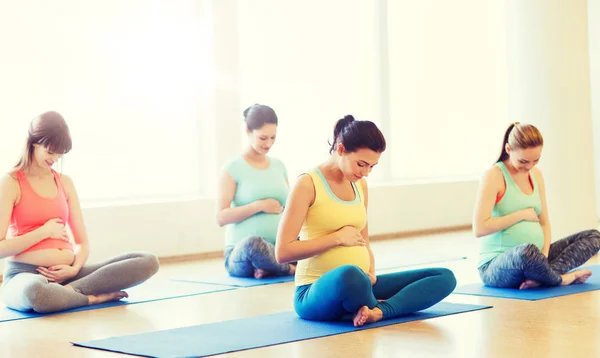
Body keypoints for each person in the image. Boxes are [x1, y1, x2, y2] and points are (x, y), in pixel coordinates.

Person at [275, 115, 456, 327]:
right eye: (361, 164)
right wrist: (336, 238)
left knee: (443, 276)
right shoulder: (307, 183)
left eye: (372, 166)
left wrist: (370, 271)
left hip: (362, 284)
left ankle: (377, 312)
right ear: (341, 149)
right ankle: (379, 306)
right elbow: (283, 252)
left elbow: (364, 240)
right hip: (314, 291)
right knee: (349, 274)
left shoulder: (359, 185)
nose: (366, 173)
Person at [0, 111, 160, 313]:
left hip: (70, 275)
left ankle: (67, 293)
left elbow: (82, 243)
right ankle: (89, 299)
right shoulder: (11, 182)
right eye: (50, 152)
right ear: (33, 143)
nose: (56, 158)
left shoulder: (64, 182)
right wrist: (43, 232)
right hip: (23, 277)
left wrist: (74, 269)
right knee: (37, 292)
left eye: (60, 153)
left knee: (147, 261)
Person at [473, 122, 600, 289]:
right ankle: (561, 279)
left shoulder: (536, 175)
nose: (529, 167)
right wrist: (521, 215)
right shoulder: (494, 176)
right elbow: (480, 228)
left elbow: (544, 222)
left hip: (536, 258)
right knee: (526, 252)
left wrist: (544, 254)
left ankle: (542, 275)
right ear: (508, 149)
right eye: (523, 161)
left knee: (594, 236)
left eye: (535, 160)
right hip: (498, 265)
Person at [216, 104, 294, 279]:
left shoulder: (279, 166)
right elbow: (221, 218)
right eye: (263, 137)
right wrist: (259, 206)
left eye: (273, 137)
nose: (268, 143)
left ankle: (270, 266)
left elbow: (290, 207)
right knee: (253, 244)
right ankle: (286, 269)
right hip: (242, 254)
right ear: (247, 130)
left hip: (279, 248)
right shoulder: (232, 168)